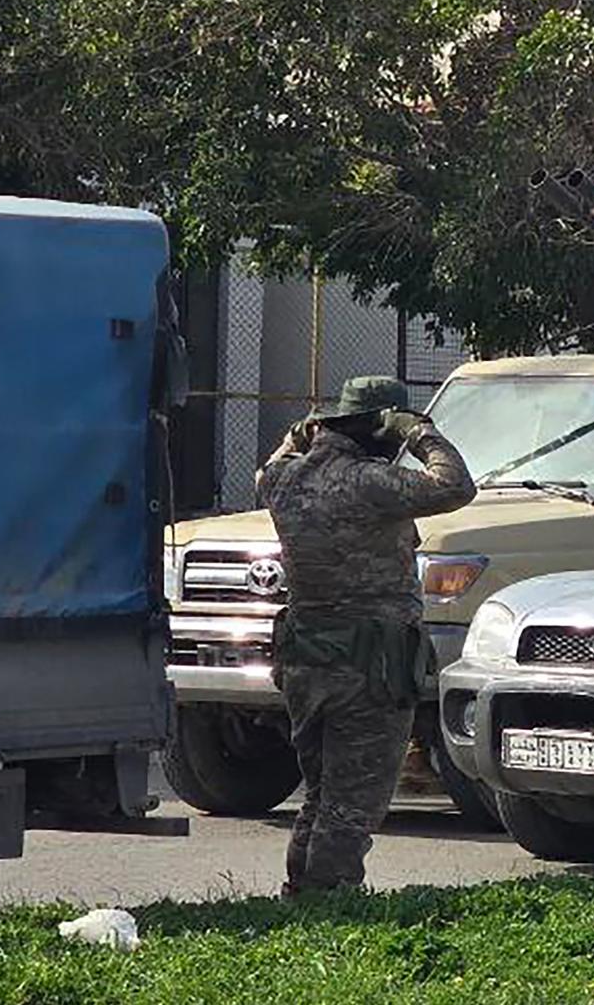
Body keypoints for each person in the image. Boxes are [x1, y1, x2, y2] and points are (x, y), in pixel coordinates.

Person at [255, 376, 476, 894]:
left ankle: (301, 890)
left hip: (306, 658)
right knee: (354, 798)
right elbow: (456, 485)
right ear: (382, 428)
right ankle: (330, 899)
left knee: (321, 791)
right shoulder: (369, 483)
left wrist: (298, 435)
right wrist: (421, 433)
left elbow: (268, 466)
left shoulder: (284, 480)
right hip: (368, 663)